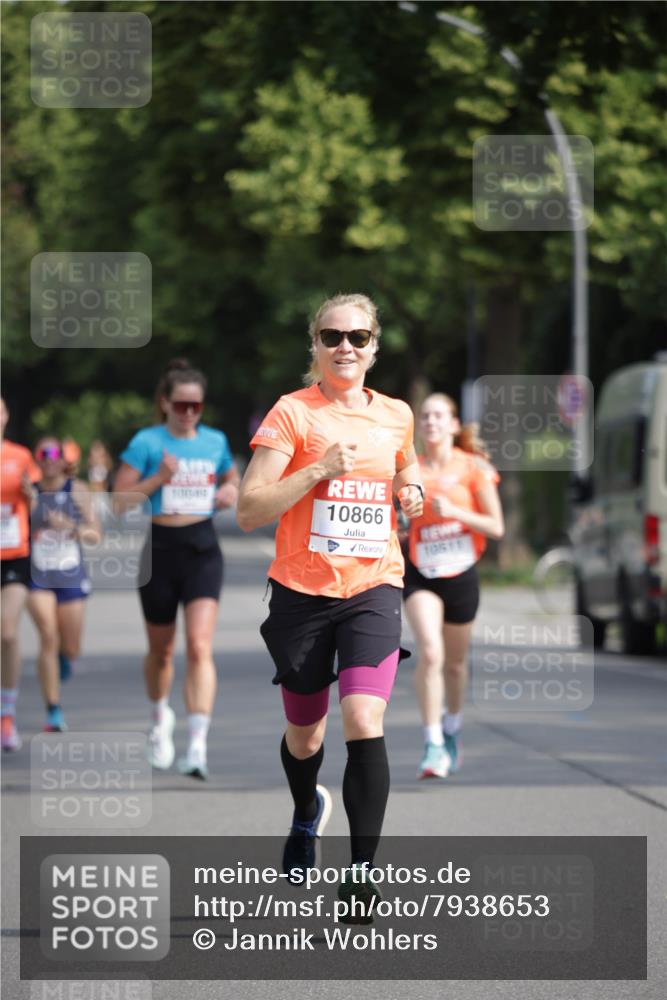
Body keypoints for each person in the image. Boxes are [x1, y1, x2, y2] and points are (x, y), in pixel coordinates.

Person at [237, 293, 423, 921]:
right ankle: (306, 810)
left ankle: (363, 874)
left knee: (364, 721)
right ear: (313, 345)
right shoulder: (292, 414)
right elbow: (249, 509)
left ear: (375, 346)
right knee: (305, 731)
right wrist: (317, 469)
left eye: (359, 336)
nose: (347, 345)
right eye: (333, 335)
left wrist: (412, 488)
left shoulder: (396, 414)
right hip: (301, 593)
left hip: (374, 586)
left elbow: (405, 467)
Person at [114, 359, 240, 780]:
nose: (189, 413)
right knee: (162, 651)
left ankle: (198, 746)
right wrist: (158, 479)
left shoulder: (215, 440)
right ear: (165, 402)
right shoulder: (147, 442)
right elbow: (119, 502)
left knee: (200, 647)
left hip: (202, 547)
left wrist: (228, 489)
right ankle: (158, 719)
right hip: (160, 552)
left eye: (196, 406)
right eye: (182, 405)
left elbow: (232, 477)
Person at [402, 393, 504, 779]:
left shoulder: (474, 467)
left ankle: (451, 729)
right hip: (420, 570)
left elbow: (497, 527)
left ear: (454, 425)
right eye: (425, 416)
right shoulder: (409, 468)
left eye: (438, 416)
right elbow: (397, 516)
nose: (430, 422)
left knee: (456, 665)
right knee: (430, 653)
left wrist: (456, 511)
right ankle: (431, 744)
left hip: (461, 571)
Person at [27, 435, 101, 722]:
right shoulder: (29, 492)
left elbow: (96, 534)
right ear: (36, 458)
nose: (48, 458)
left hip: (70, 575)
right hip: (37, 576)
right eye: (42, 453)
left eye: (53, 452)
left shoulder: (77, 490)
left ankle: (64, 658)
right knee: (47, 635)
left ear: (62, 458)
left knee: (70, 646)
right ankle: (53, 710)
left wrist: (70, 526)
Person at [0, 398, 40, 750]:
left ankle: (7, 713)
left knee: (8, 632)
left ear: (6, 414)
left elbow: (40, 505)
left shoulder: (20, 456)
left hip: (14, 554)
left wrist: (31, 497)